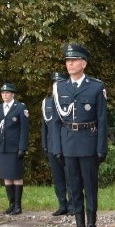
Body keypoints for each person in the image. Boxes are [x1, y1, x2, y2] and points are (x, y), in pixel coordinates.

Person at [51, 43, 108, 227]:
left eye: (74, 60)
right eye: (67, 61)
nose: (70, 64)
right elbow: (56, 122)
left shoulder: (96, 86)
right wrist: (56, 147)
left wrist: (102, 147)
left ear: (83, 63)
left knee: (90, 188)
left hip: (88, 142)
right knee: (74, 187)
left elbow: (102, 119)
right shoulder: (59, 88)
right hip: (68, 143)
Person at [0, 82, 30, 215]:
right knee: (6, 176)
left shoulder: (20, 107)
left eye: (7, 92)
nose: (5, 95)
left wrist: (22, 147)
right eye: (3, 93)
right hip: (1, 147)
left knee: (16, 175)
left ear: (13, 94)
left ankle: (18, 206)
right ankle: (11, 204)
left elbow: (24, 130)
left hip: (14, 147)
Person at [42, 72, 71, 216]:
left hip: (67, 144)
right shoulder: (46, 102)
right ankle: (62, 204)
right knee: (57, 177)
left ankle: (72, 204)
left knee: (70, 176)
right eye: (54, 83)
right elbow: (44, 126)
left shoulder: (68, 99)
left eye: (58, 82)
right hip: (52, 145)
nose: (55, 85)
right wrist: (44, 144)